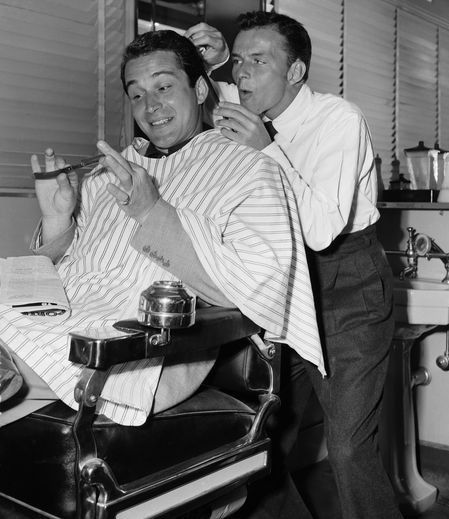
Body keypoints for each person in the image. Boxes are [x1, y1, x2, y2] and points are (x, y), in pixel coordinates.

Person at [0, 29, 323, 427]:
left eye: (164, 87)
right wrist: (57, 219)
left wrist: (151, 212)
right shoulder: (109, 172)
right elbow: (63, 273)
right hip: (55, 324)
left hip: (137, 354)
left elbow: (255, 292)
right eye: (137, 94)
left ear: (201, 90)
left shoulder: (250, 169)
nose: (151, 106)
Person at [185, 11, 401, 519]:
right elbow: (214, 100)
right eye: (238, 62)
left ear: (297, 72)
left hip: (349, 286)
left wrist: (268, 150)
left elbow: (322, 228)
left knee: (349, 450)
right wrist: (216, 62)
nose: (241, 74)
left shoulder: (337, 119)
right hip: (284, 288)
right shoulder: (250, 110)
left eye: (258, 62)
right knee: (260, 447)